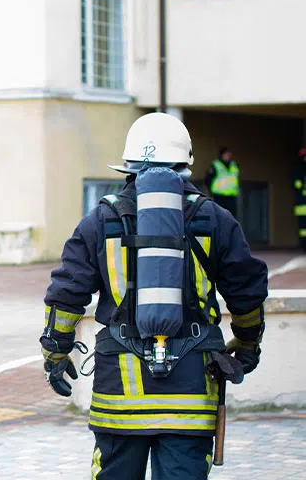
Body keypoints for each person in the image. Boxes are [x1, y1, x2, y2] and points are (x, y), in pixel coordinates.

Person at [39, 112, 268, 479]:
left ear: (128, 165)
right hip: (191, 394)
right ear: (185, 164)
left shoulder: (101, 220)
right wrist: (247, 343)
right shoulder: (215, 219)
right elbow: (248, 292)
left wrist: (55, 353)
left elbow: (66, 295)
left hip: (119, 396)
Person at [203, 147, 240, 218]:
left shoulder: (234, 165)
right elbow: (208, 180)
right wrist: (211, 193)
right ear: (222, 155)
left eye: (229, 154)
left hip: (232, 196)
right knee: (219, 216)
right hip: (219, 196)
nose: (228, 156)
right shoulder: (216, 165)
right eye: (226, 154)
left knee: (231, 218)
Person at [293, 148, 306, 252]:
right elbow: (297, 185)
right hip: (302, 204)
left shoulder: (298, 169)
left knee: (303, 227)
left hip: (301, 204)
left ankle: (304, 244)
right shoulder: (299, 170)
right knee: (303, 227)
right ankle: (304, 244)